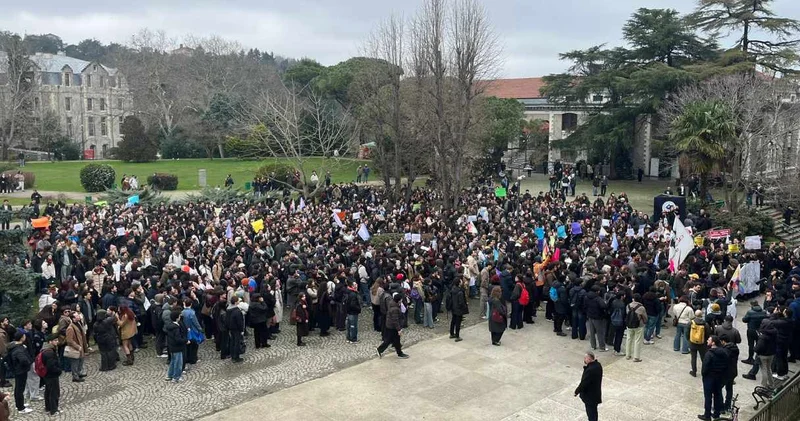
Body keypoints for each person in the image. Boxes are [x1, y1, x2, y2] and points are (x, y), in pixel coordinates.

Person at [699, 336, 728, 421]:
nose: (707, 340)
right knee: (717, 395)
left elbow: (705, 367)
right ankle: (716, 414)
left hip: (709, 377)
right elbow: (726, 365)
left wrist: (704, 375)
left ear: (713, 342)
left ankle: (707, 415)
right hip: (719, 377)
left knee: (708, 396)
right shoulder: (724, 353)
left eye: (709, 340)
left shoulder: (709, 353)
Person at [376, 293, 409, 359]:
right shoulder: (395, 309)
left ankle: (399, 352)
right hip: (392, 327)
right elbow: (395, 320)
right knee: (390, 340)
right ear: (399, 300)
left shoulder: (393, 304)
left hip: (390, 325)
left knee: (395, 340)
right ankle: (380, 349)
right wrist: (399, 329)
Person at [7, 332, 33, 414]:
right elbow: (23, 360)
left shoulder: (15, 346)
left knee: (19, 388)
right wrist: (29, 362)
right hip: (20, 371)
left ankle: (19, 404)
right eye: (24, 336)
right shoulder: (18, 349)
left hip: (17, 370)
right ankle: (21, 408)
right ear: (22, 338)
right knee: (19, 389)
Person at [574, 351, 603, 421]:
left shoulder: (590, 370)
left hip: (589, 396)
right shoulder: (598, 365)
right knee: (594, 413)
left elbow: (584, 383)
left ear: (589, 359)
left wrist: (576, 391)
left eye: (585, 358)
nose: (584, 360)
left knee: (591, 414)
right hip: (595, 394)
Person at [40, 334, 61, 416]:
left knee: (48, 391)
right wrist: (58, 371)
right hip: (51, 375)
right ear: (50, 342)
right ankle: (53, 410)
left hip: (47, 375)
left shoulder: (46, 349)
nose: (57, 342)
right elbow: (51, 366)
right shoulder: (49, 352)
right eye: (55, 340)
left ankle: (48, 407)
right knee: (53, 392)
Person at [64, 310, 88, 382]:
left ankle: (79, 372)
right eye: (77, 315)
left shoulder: (78, 324)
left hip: (81, 346)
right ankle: (75, 376)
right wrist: (77, 347)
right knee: (75, 362)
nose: (79, 316)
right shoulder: (70, 328)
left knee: (81, 360)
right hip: (76, 348)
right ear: (73, 318)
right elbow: (69, 340)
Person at [165, 310, 187, 382]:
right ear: (177, 318)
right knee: (178, 363)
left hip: (172, 347)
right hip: (177, 348)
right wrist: (186, 341)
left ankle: (169, 375)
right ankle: (176, 377)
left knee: (173, 361)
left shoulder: (170, 326)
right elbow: (178, 339)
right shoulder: (176, 328)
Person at [625, 293, 647, 362]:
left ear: (633, 299)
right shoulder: (641, 307)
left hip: (629, 325)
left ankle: (628, 355)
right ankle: (636, 357)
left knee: (629, 339)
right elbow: (645, 317)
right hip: (639, 325)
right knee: (637, 341)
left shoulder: (628, 306)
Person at [689, 310, 711, 377]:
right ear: (701, 315)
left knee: (693, 358)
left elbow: (687, 332)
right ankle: (704, 371)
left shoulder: (691, 323)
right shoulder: (705, 324)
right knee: (703, 358)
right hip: (702, 344)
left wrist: (689, 340)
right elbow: (708, 334)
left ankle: (694, 371)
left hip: (693, 343)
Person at [227, 296, 245, 362]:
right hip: (236, 329)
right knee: (236, 343)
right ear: (235, 302)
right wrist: (241, 330)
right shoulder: (237, 311)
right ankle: (236, 357)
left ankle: (232, 355)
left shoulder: (228, 309)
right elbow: (240, 322)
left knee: (232, 342)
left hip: (231, 328)